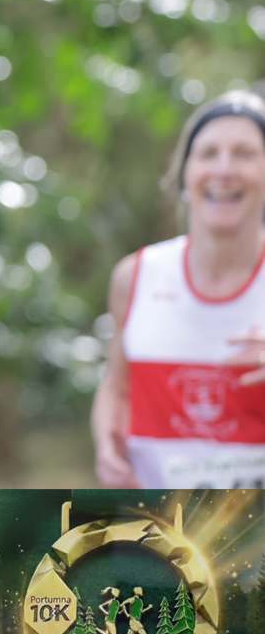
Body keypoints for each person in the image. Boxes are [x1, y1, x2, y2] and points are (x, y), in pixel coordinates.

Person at [92, 89, 265, 488]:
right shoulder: (136, 276)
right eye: (208, 153)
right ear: (184, 174)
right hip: (157, 519)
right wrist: (106, 445)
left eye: (244, 154)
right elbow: (116, 388)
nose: (224, 169)